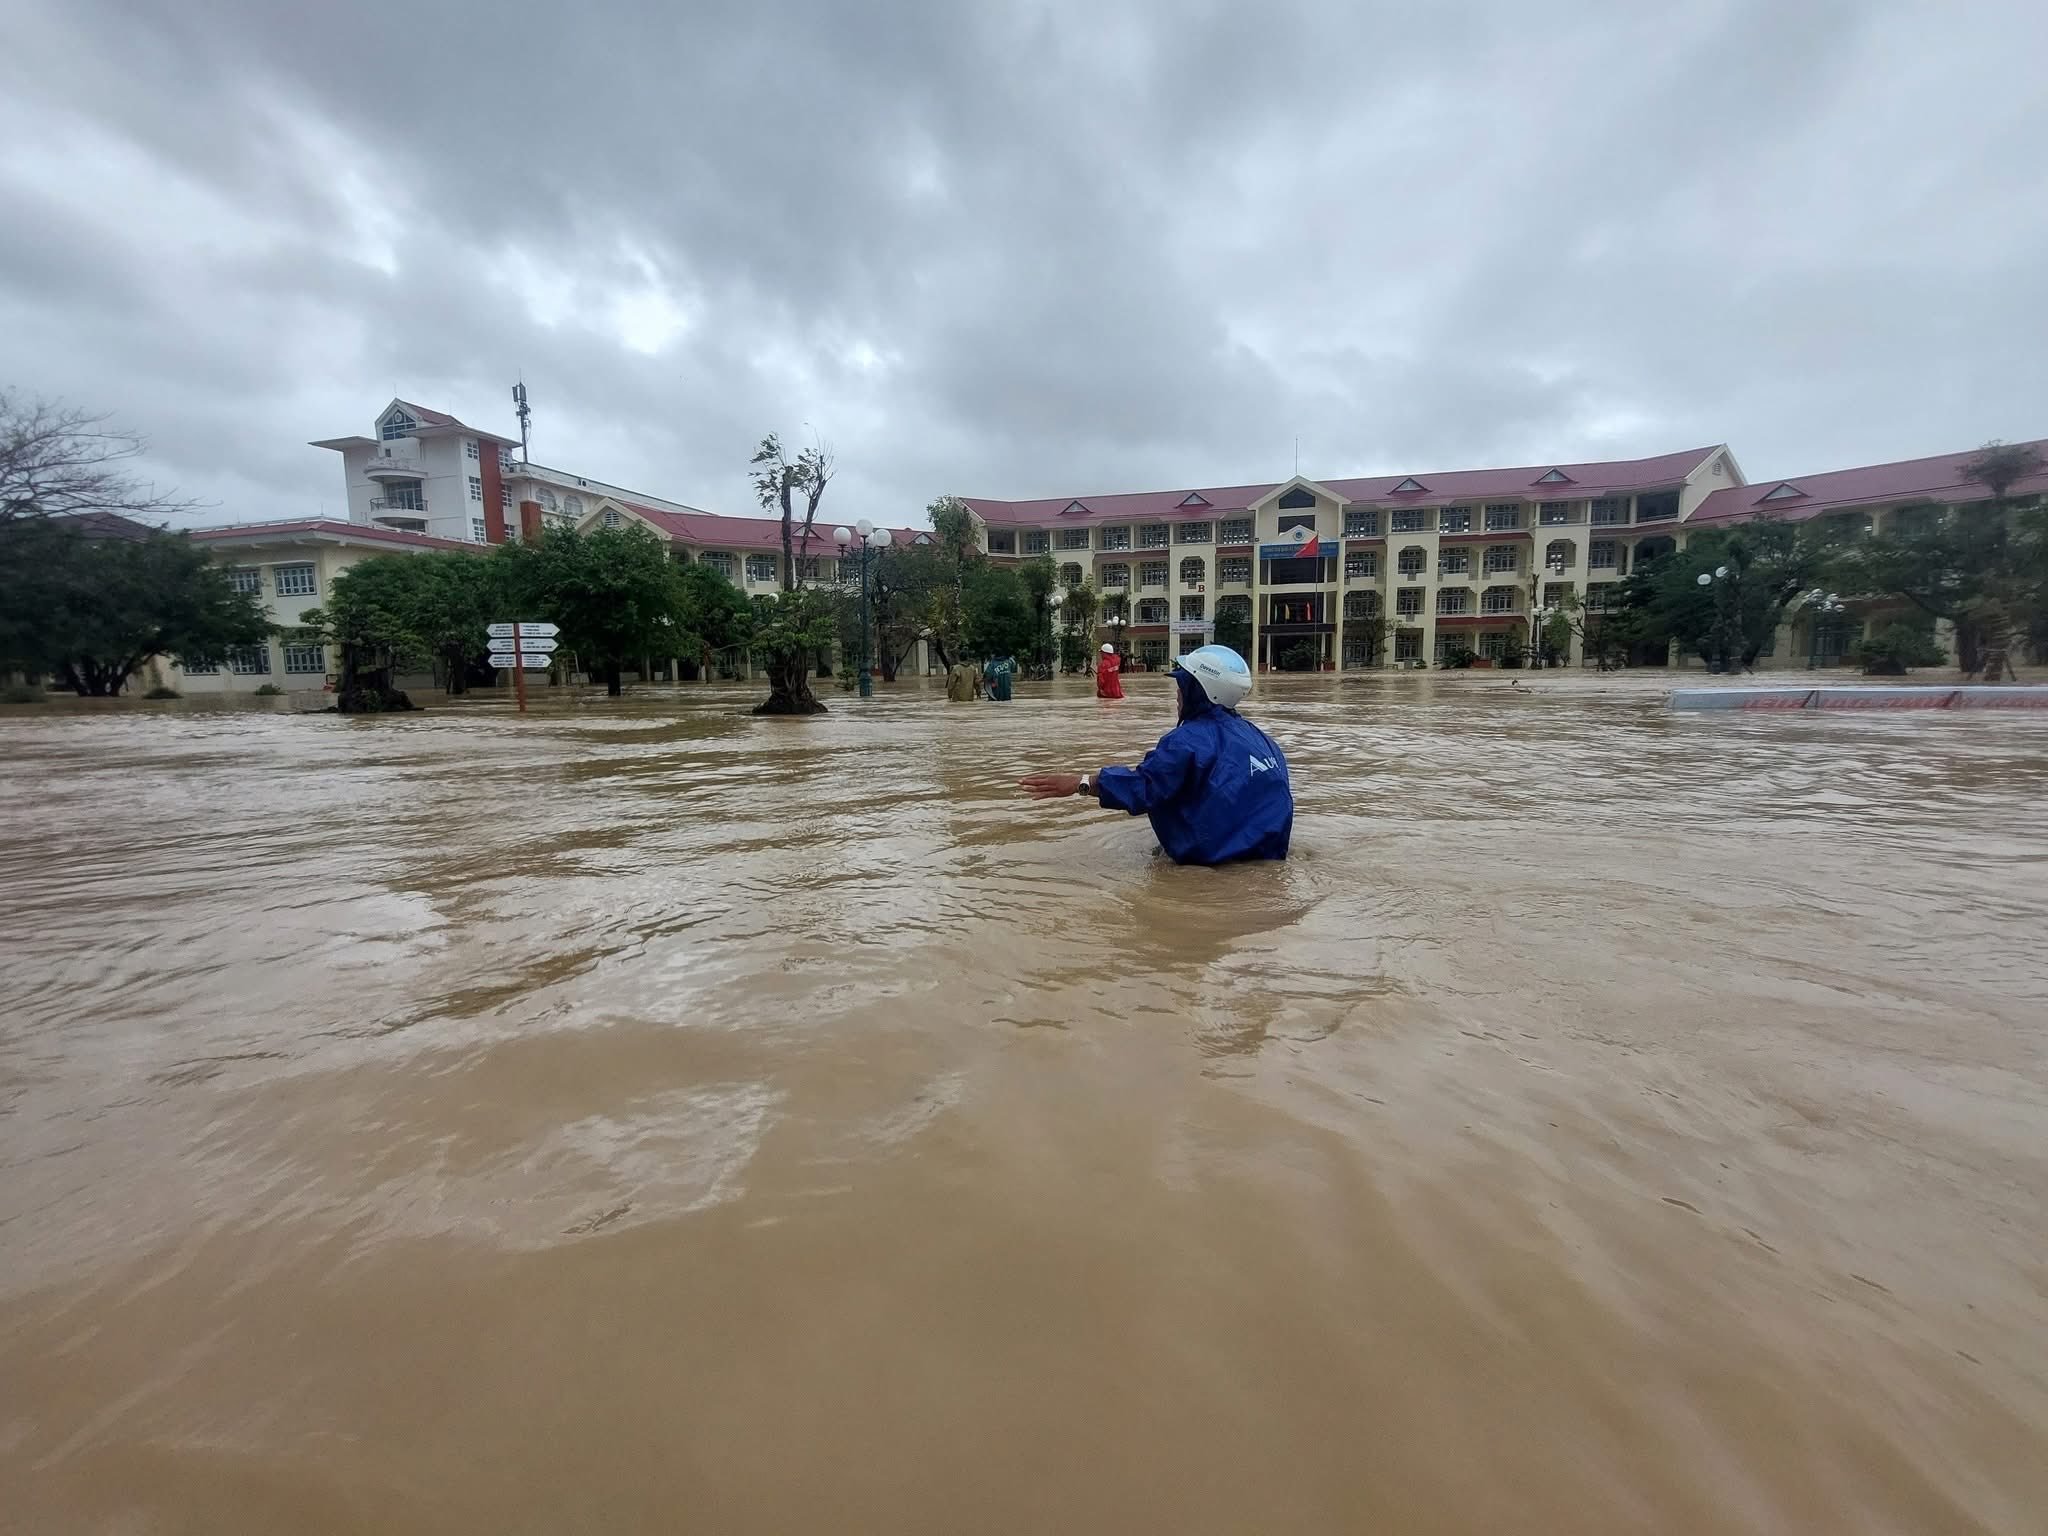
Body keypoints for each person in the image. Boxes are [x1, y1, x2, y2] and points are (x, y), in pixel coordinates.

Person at [1021, 644, 1291, 865]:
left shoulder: (1186, 742)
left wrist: (1080, 783)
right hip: (1267, 861)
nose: (1176, 695)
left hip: (1210, 869)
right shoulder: (1262, 739)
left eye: (1182, 686)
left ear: (1199, 692)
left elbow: (1145, 786)